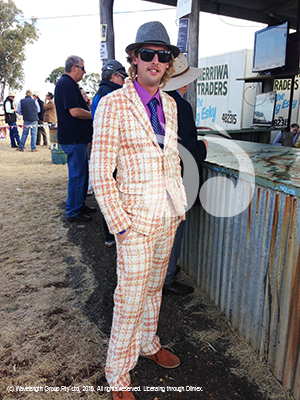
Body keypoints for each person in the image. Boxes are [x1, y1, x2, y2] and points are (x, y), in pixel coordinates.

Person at [90, 21, 186, 400]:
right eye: (148, 53)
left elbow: (171, 159)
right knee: (129, 298)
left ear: (168, 64)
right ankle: (118, 374)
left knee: (154, 290)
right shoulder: (114, 104)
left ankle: (148, 343)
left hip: (166, 217)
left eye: (163, 56)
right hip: (133, 223)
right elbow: (100, 171)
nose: (156, 61)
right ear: (134, 59)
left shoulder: (171, 105)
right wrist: (121, 226)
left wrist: (178, 204)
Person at [162, 53, 208, 295]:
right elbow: (188, 151)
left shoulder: (158, 100)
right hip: (178, 178)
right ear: (184, 82)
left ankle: (165, 270)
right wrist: (205, 146)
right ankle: (167, 277)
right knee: (174, 231)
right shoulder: (181, 105)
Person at [91, 59, 128, 247]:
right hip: (114, 153)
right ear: (113, 76)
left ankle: (109, 235)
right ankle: (113, 235)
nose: (124, 81)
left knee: (107, 193)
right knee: (113, 194)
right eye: (122, 77)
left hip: (103, 149)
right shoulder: (114, 96)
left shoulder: (98, 95)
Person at [54, 55, 95, 223]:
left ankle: (79, 205)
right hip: (73, 139)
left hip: (76, 138)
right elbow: (75, 112)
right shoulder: (66, 84)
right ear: (73, 67)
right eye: (82, 68)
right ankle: (72, 210)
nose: (84, 72)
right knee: (77, 174)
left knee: (81, 173)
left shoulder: (69, 84)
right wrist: (94, 115)